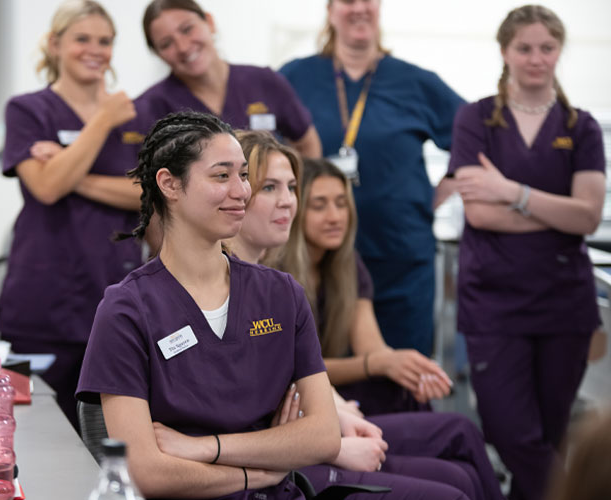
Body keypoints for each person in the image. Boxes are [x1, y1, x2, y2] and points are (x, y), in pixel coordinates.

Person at [77, 111, 469, 500]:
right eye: (221, 176)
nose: (241, 191)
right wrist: (260, 472)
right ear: (169, 184)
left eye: (244, 175)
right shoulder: (127, 310)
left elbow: (322, 436)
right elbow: (146, 474)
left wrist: (205, 448)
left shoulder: (281, 294)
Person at [227, 131, 504, 500]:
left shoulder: (284, 284)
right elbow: (265, 401)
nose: (287, 201)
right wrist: (335, 439)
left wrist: (387, 376)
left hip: (312, 430)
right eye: (270, 188)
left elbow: (311, 372)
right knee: (454, 483)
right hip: (288, 452)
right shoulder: (238, 286)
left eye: (291, 188)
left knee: (459, 469)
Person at [448, 6, 606, 500]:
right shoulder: (476, 119)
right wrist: (557, 212)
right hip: (494, 302)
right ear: (505, 52)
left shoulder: (582, 127)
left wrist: (510, 191)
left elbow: (587, 217)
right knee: (511, 432)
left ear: (559, 52)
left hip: (563, 303)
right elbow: (480, 214)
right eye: (524, 48)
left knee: (548, 436)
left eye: (547, 48)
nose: (536, 58)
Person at [279, 0, 464, 355]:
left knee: (404, 368)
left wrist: (437, 194)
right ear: (330, 10)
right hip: (316, 260)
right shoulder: (295, 78)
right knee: (317, 368)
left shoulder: (416, 82)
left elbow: (475, 137)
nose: (359, 8)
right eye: (348, 1)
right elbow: (259, 149)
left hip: (399, 257)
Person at [0, 0, 142, 431]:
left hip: (113, 291)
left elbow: (146, 193)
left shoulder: (134, 118)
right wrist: (101, 121)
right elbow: (46, 188)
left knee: (108, 435)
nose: (94, 50)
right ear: (54, 43)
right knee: (30, 431)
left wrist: (67, 167)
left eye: (105, 41)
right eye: (82, 39)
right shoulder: (27, 110)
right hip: (41, 299)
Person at [273, 157, 451, 416]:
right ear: (295, 211)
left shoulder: (349, 266)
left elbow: (371, 348)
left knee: (407, 395)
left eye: (341, 204)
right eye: (319, 206)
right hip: (296, 399)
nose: (335, 217)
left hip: (339, 390)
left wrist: (410, 370)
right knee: (455, 428)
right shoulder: (273, 274)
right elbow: (294, 370)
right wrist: (379, 363)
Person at [127, 0, 322, 159]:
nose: (183, 47)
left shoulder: (264, 81)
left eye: (187, 29)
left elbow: (307, 145)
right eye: (166, 44)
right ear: (157, 53)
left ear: (209, 22)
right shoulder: (150, 107)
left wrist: (293, 189)